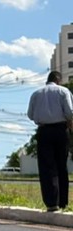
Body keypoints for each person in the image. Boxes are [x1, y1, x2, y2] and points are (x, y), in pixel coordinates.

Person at [26, 71, 73, 211]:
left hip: (44, 131)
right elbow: (70, 112)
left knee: (47, 167)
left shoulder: (36, 93)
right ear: (58, 80)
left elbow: (30, 115)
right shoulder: (63, 91)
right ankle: (63, 201)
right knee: (61, 166)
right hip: (60, 130)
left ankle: (51, 203)